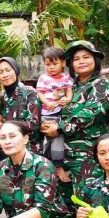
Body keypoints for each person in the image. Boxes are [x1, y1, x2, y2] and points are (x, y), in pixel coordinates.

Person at [41, 40, 109, 201]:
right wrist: (45, 124)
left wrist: (59, 128)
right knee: (65, 202)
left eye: (86, 57)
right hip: (63, 156)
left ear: (95, 60)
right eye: (76, 59)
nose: (81, 62)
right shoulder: (70, 87)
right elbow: (51, 106)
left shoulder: (100, 85)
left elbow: (92, 113)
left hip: (88, 157)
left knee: (89, 202)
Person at [36, 47, 73, 182]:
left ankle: (58, 166)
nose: (51, 67)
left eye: (54, 64)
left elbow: (69, 92)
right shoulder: (43, 78)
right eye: (48, 64)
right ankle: (46, 166)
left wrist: (67, 99)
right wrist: (47, 102)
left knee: (58, 140)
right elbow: (40, 93)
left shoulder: (66, 78)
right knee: (46, 142)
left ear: (63, 63)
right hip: (46, 115)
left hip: (60, 115)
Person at [0, 57, 42, 156]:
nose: (5, 75)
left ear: (16, 71)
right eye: (1, 72)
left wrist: (3, 126)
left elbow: (34, 123)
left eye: (8, 70)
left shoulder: (29, 92)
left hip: (28, 149)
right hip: (5, 151)